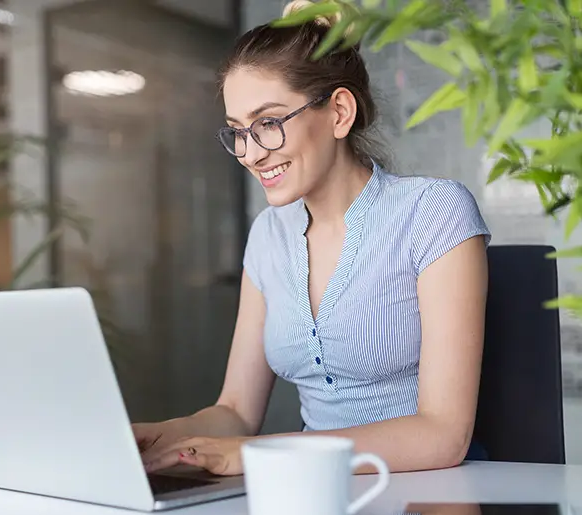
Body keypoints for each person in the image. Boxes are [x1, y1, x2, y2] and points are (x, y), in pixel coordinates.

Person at [134, 0, 491, 476]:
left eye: (268, 123)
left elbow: (443, 435)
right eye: (239, 132)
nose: (250, 154)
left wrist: (260, 454)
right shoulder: (267, 236)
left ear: (339, 112)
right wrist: (163, 436)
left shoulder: (432, 213)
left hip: (426, 505)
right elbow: (237, 411)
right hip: (310, 501)